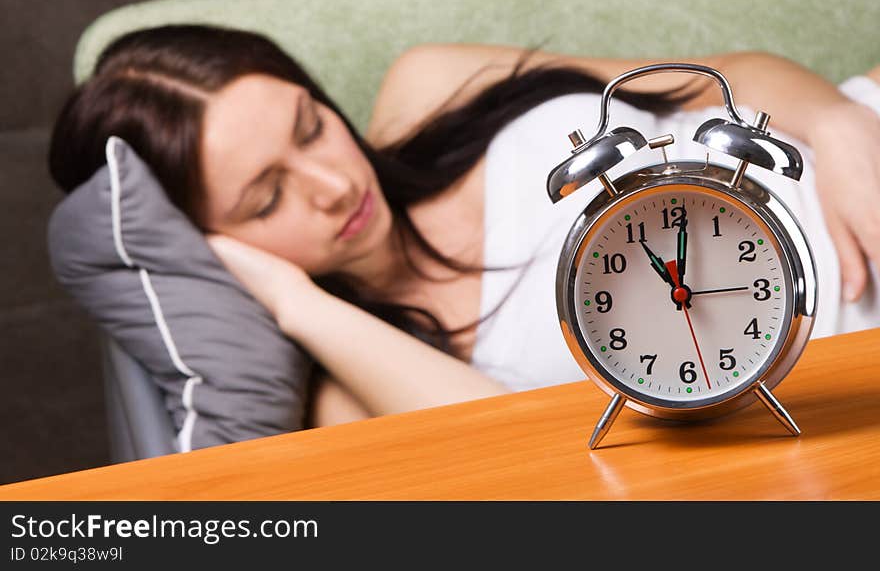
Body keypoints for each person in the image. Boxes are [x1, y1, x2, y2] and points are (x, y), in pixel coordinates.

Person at [49, 25, 880, 428]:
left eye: (309, 125)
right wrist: (289, 300)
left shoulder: (431, 86)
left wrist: (840, 124)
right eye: (266, 200)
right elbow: (531, 466)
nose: (335, 183)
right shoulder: (353, 381)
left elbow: (724, 78)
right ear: (211, 245)